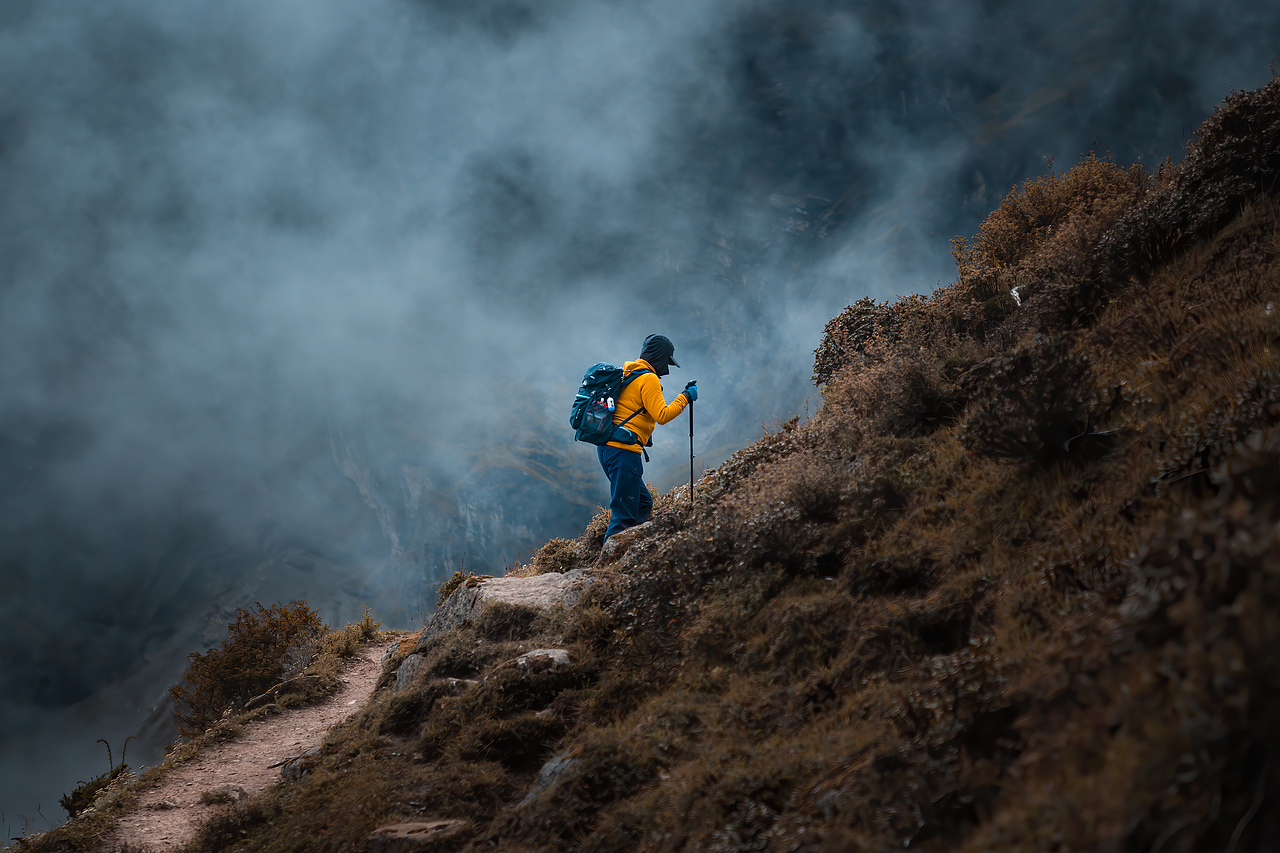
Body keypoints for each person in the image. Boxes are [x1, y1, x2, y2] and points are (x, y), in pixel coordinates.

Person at [598, 334, 698, 544]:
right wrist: (685, 397)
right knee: (623, 515)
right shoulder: (648, 378)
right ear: (660, 358)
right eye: (667, 362)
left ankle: (631, 549)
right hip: (623, 452)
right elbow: (661, 415)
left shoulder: (629, 373)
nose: (667, 368)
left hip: (609, 450)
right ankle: (606, 569)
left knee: (642, 503)